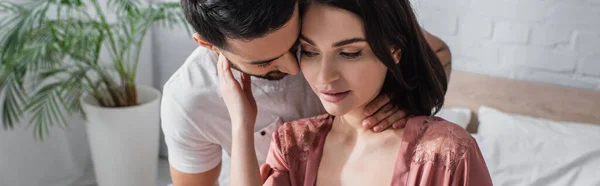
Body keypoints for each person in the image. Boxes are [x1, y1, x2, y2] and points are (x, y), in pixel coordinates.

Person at [163, 0, 452, 185]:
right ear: (208, 44)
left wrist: (403, 96)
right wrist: (242, 124)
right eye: (265, 62)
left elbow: (435, 51)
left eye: (299, 47)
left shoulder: (319, 16)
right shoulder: (188, 101)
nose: (293, 67)